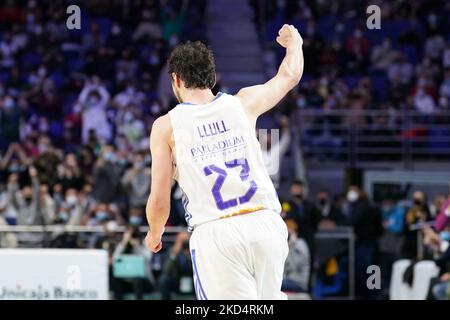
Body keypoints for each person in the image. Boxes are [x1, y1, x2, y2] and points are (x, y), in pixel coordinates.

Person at [145, 24, 304, 299]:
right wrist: (295, 44)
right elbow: (289, 75)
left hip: (217, 231)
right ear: (213, 76)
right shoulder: (242, 103)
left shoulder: (166, 126)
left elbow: (160, 200)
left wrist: (155, 233)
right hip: (266, 223)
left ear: (176, 80)